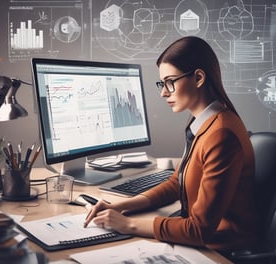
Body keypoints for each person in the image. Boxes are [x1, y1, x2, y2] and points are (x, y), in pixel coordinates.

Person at [84, 36, 258, 254]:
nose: (164, 92)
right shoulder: (202, 122)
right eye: (162, 83)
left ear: (198, 78)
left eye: (170, 82)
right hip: (200, 242)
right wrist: (120, 206)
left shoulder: (221, 134)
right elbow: (177, 183)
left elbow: (198, 230)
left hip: (219, 251)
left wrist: (127, 224)